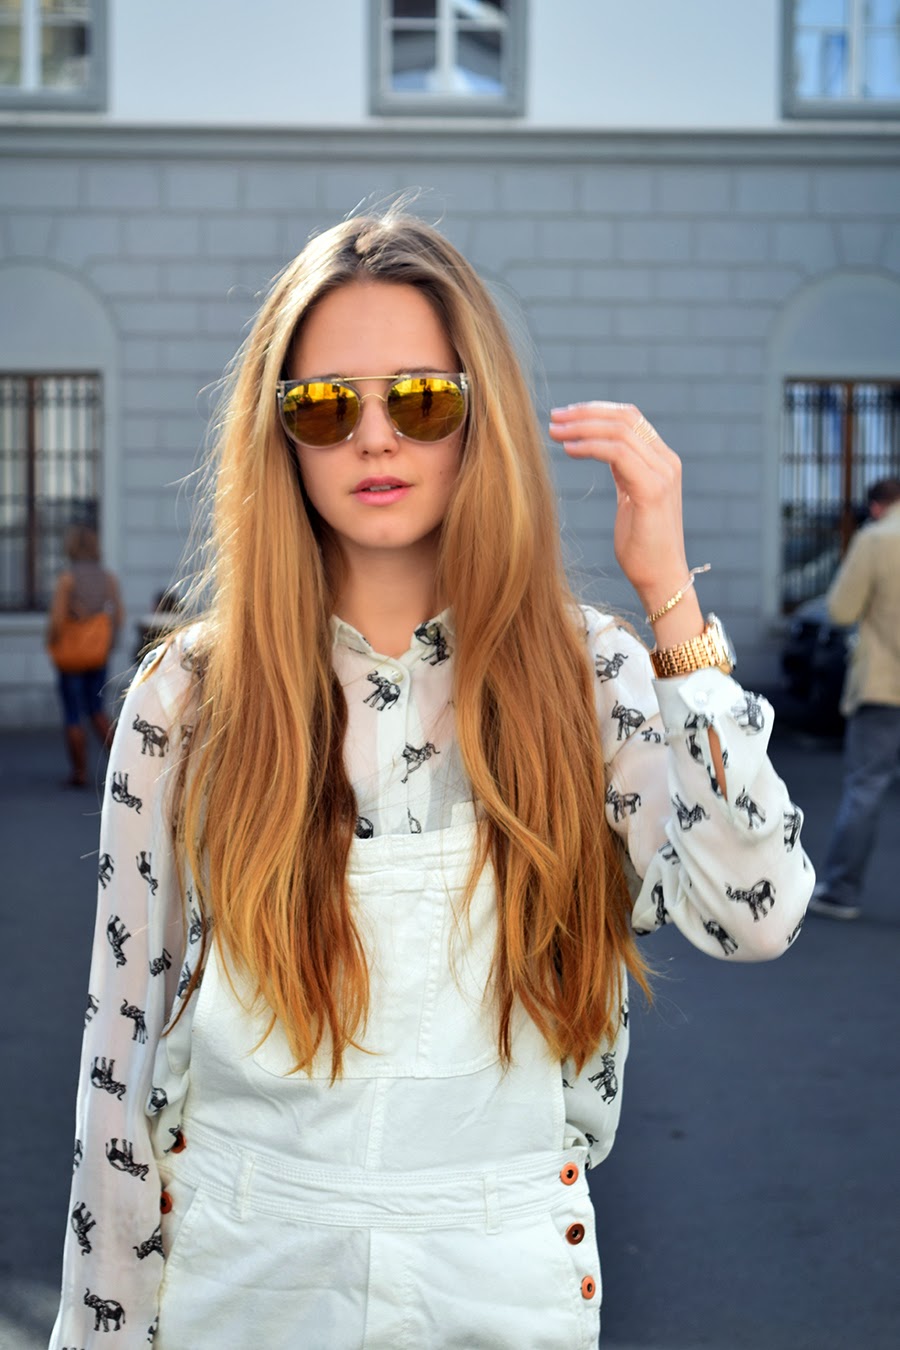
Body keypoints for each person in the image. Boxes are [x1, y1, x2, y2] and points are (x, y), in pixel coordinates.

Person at [51, 210, 814, 1350]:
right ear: (279, 433)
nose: (374, 438)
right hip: (242, 1278)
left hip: (500, 1273)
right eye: (324, 405)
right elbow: (122, 1055)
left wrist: (672, 602)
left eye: (419, 399)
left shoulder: (590, 674)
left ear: (477, 416)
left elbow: (753, 914)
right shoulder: (189, 698)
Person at [808, 477, 900, 920]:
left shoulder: (877, 539)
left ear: (877, 506)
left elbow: (840, 610)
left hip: (883, 686)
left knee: (866, 787)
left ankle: (842, 891)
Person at [46, 523, 123, 787]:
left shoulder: (67, 579)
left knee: (72, 712)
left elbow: (57, 619)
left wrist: (52, 642)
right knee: (97, 709)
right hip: (97, 654)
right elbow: (118, 616)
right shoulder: (108, 578)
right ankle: (124, 762)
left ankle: (79, 772)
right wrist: (107, 645)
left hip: (71, 657)